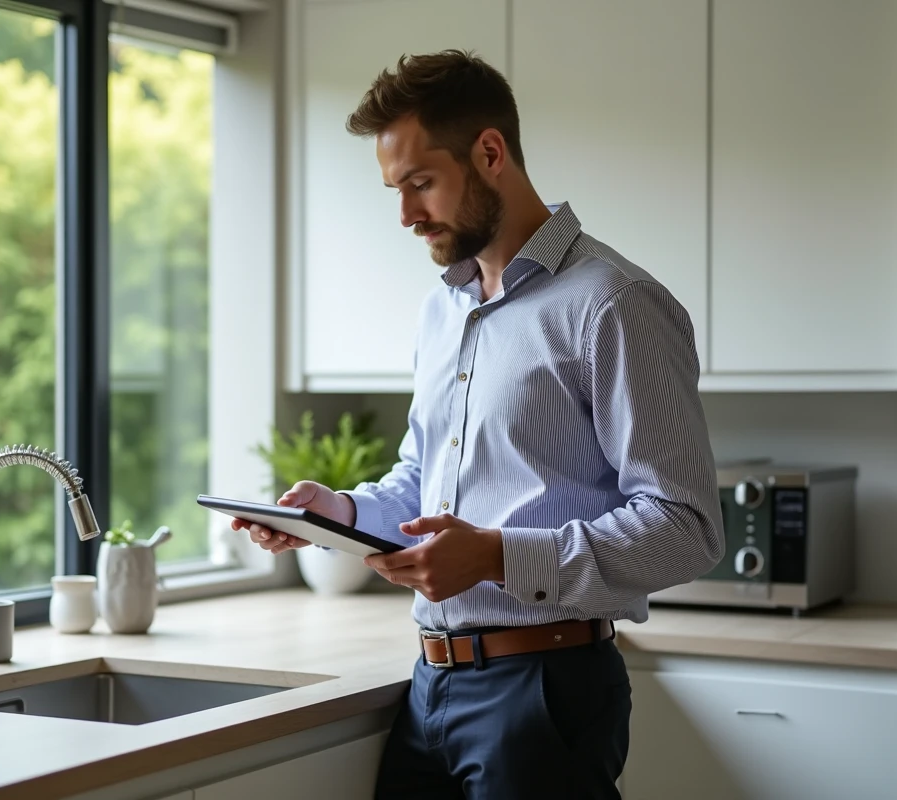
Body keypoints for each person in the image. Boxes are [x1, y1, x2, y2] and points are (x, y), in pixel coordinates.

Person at [231, 49, 725, 799]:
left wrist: (497, 557)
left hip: (545, 689)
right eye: (395, 190)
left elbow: (687, 527)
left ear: (490, 152)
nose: (405, 214)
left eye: (421, 183)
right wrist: (340, 515)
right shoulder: (445, 310)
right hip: (430, 686)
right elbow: (420, 481)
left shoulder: (613, 304)